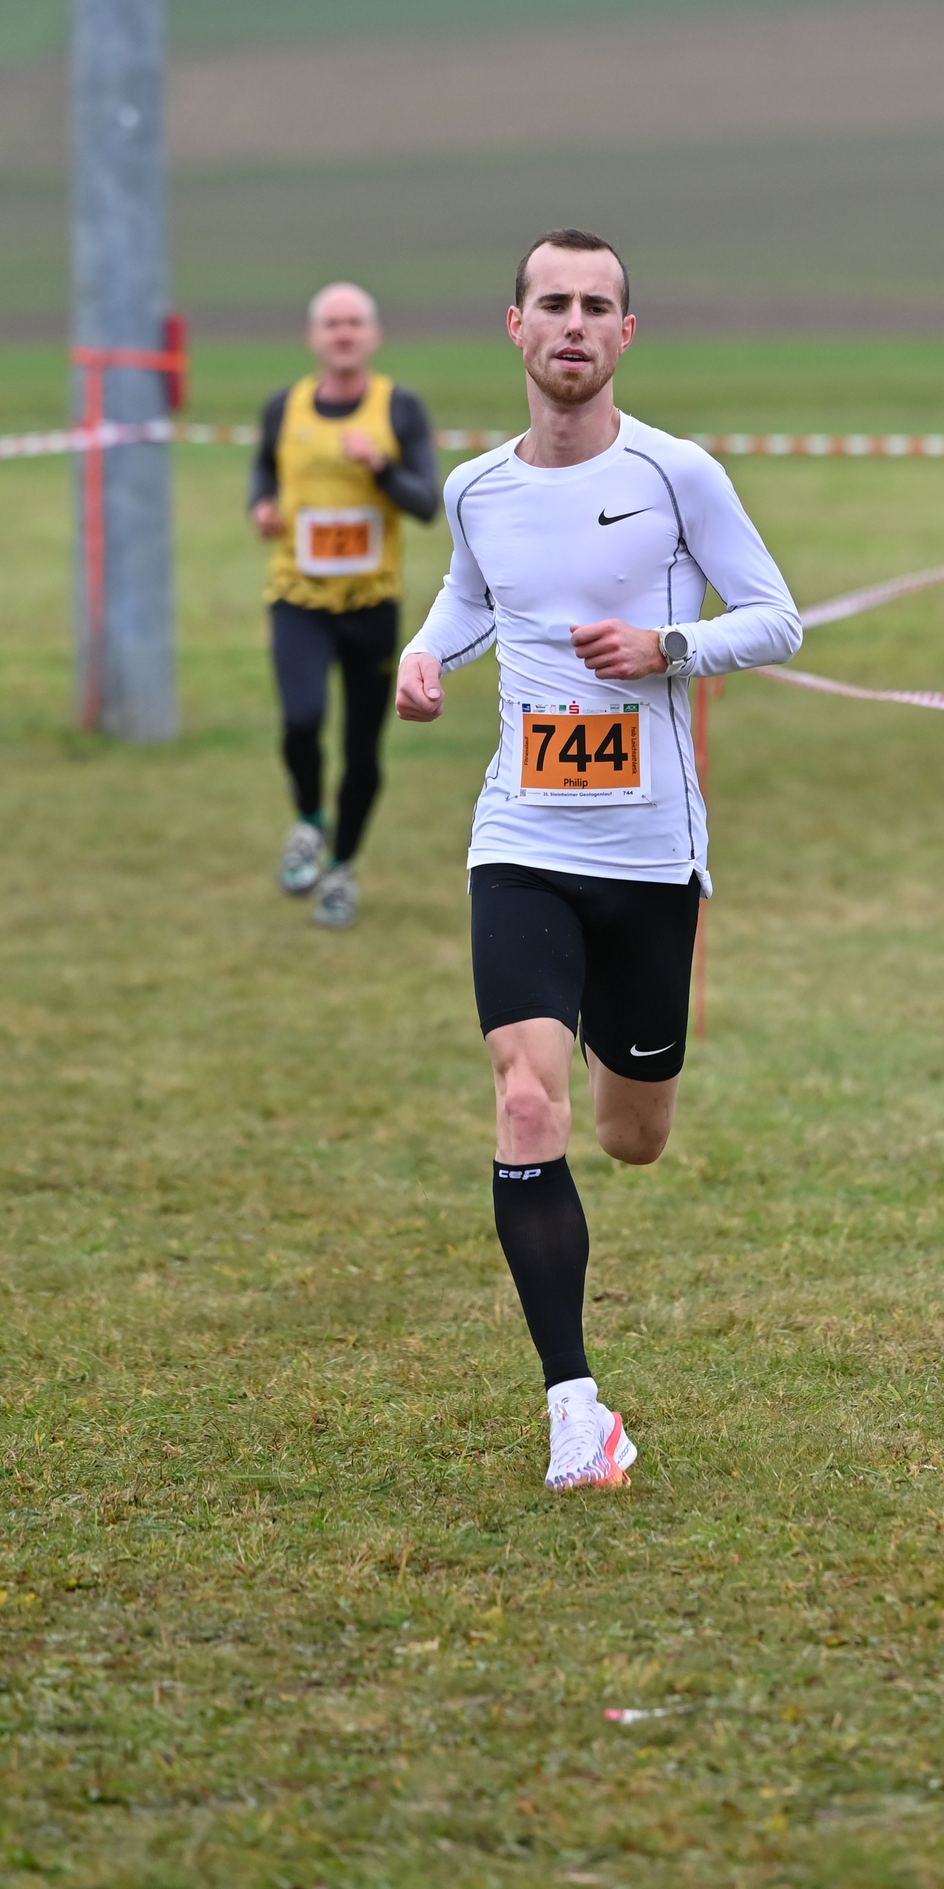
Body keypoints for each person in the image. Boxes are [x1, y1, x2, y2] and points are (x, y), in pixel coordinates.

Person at [394, 227, 802, 1491]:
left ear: (624, 334)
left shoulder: (677, 474)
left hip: (647, 856)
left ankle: (606, 1056)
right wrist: (425, 651)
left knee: (631, 1137)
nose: (572, 324)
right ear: (514, 326)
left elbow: (775, 619)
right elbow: (473, 595)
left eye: (595, 306)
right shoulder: (475, 488)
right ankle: (575, 1409)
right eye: (552, 303)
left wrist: (667, 648)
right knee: (526, 1103)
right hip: (519, 838)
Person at [250, 281, 441, 931]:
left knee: (363, 751)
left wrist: (381, 467)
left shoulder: (399, 408)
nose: (343, 333)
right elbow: (264, 468)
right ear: (314, 337)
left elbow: (425, 503)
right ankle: (309, 820)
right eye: (332, 323)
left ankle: (342, 868)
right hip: (298, 597)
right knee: (301, 719)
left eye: (354, 322)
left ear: (373, 335)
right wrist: (262, 505)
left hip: (371, 605)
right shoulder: (284, 407)